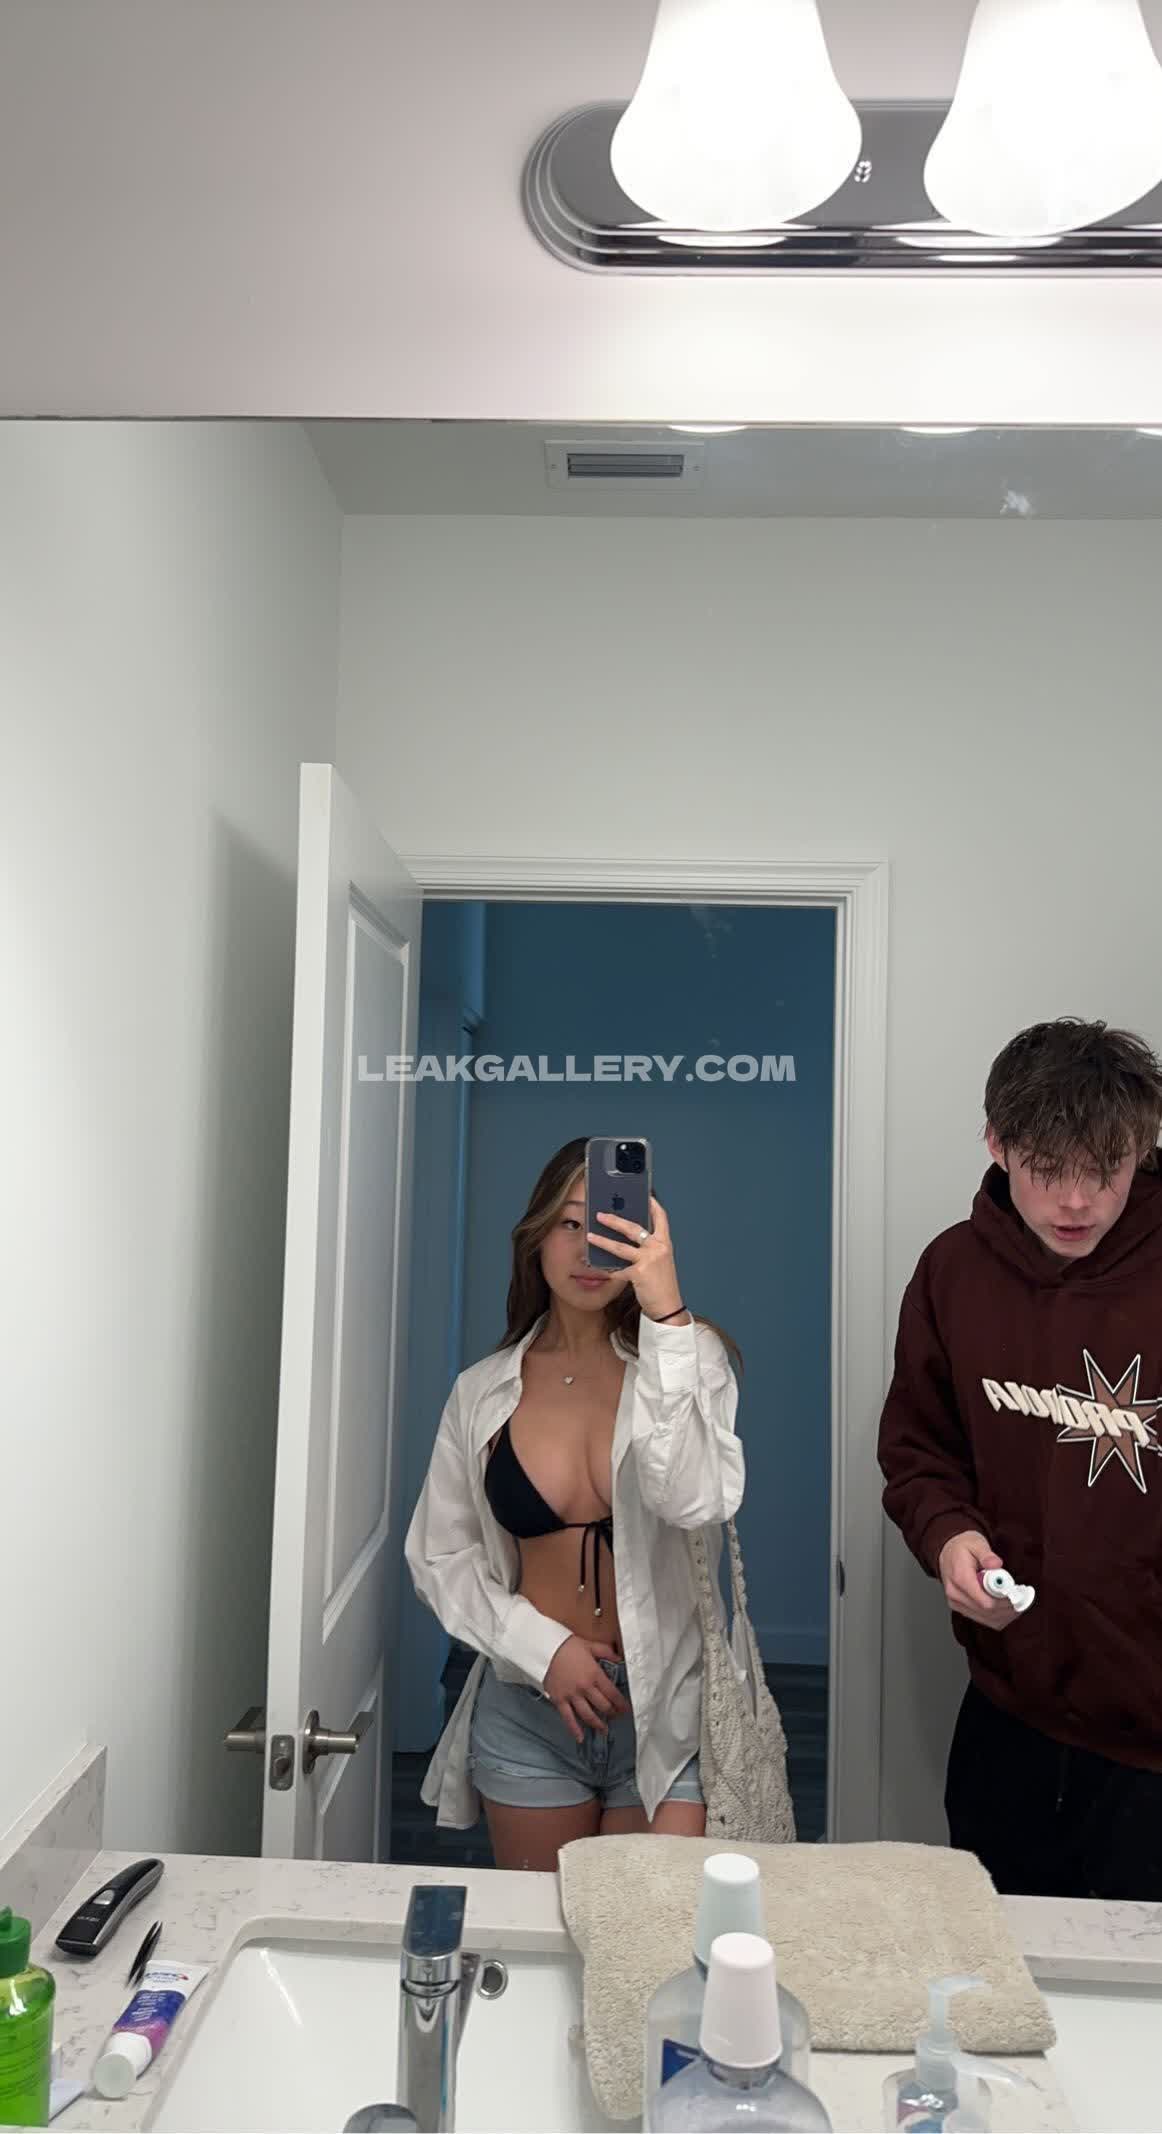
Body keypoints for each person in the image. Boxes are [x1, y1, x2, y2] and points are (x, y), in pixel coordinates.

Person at [878, 1017, 1162, 1899]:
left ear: (1144, 1149)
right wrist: (950, 1537)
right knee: (997, 1964)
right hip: (1010, 1715)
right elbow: (919, 1450)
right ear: (997, 1145)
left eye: (1105, 1169)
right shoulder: (951, 1272)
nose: (1077, 1201)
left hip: (1153, 1743)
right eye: (1047, 1168)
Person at [405, 1135, 744, 1871]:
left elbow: (694, 1499)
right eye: (569, 1222)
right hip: (530, 1706)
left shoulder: (690, 1358)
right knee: (543, 1926)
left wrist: (667, 1313)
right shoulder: (482, 1392)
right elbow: (440, 1554)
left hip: (665, 1709)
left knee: (651, 1927)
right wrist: (544, 1650)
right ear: (535, 1238)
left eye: (613, 1223)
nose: (591, 1248)